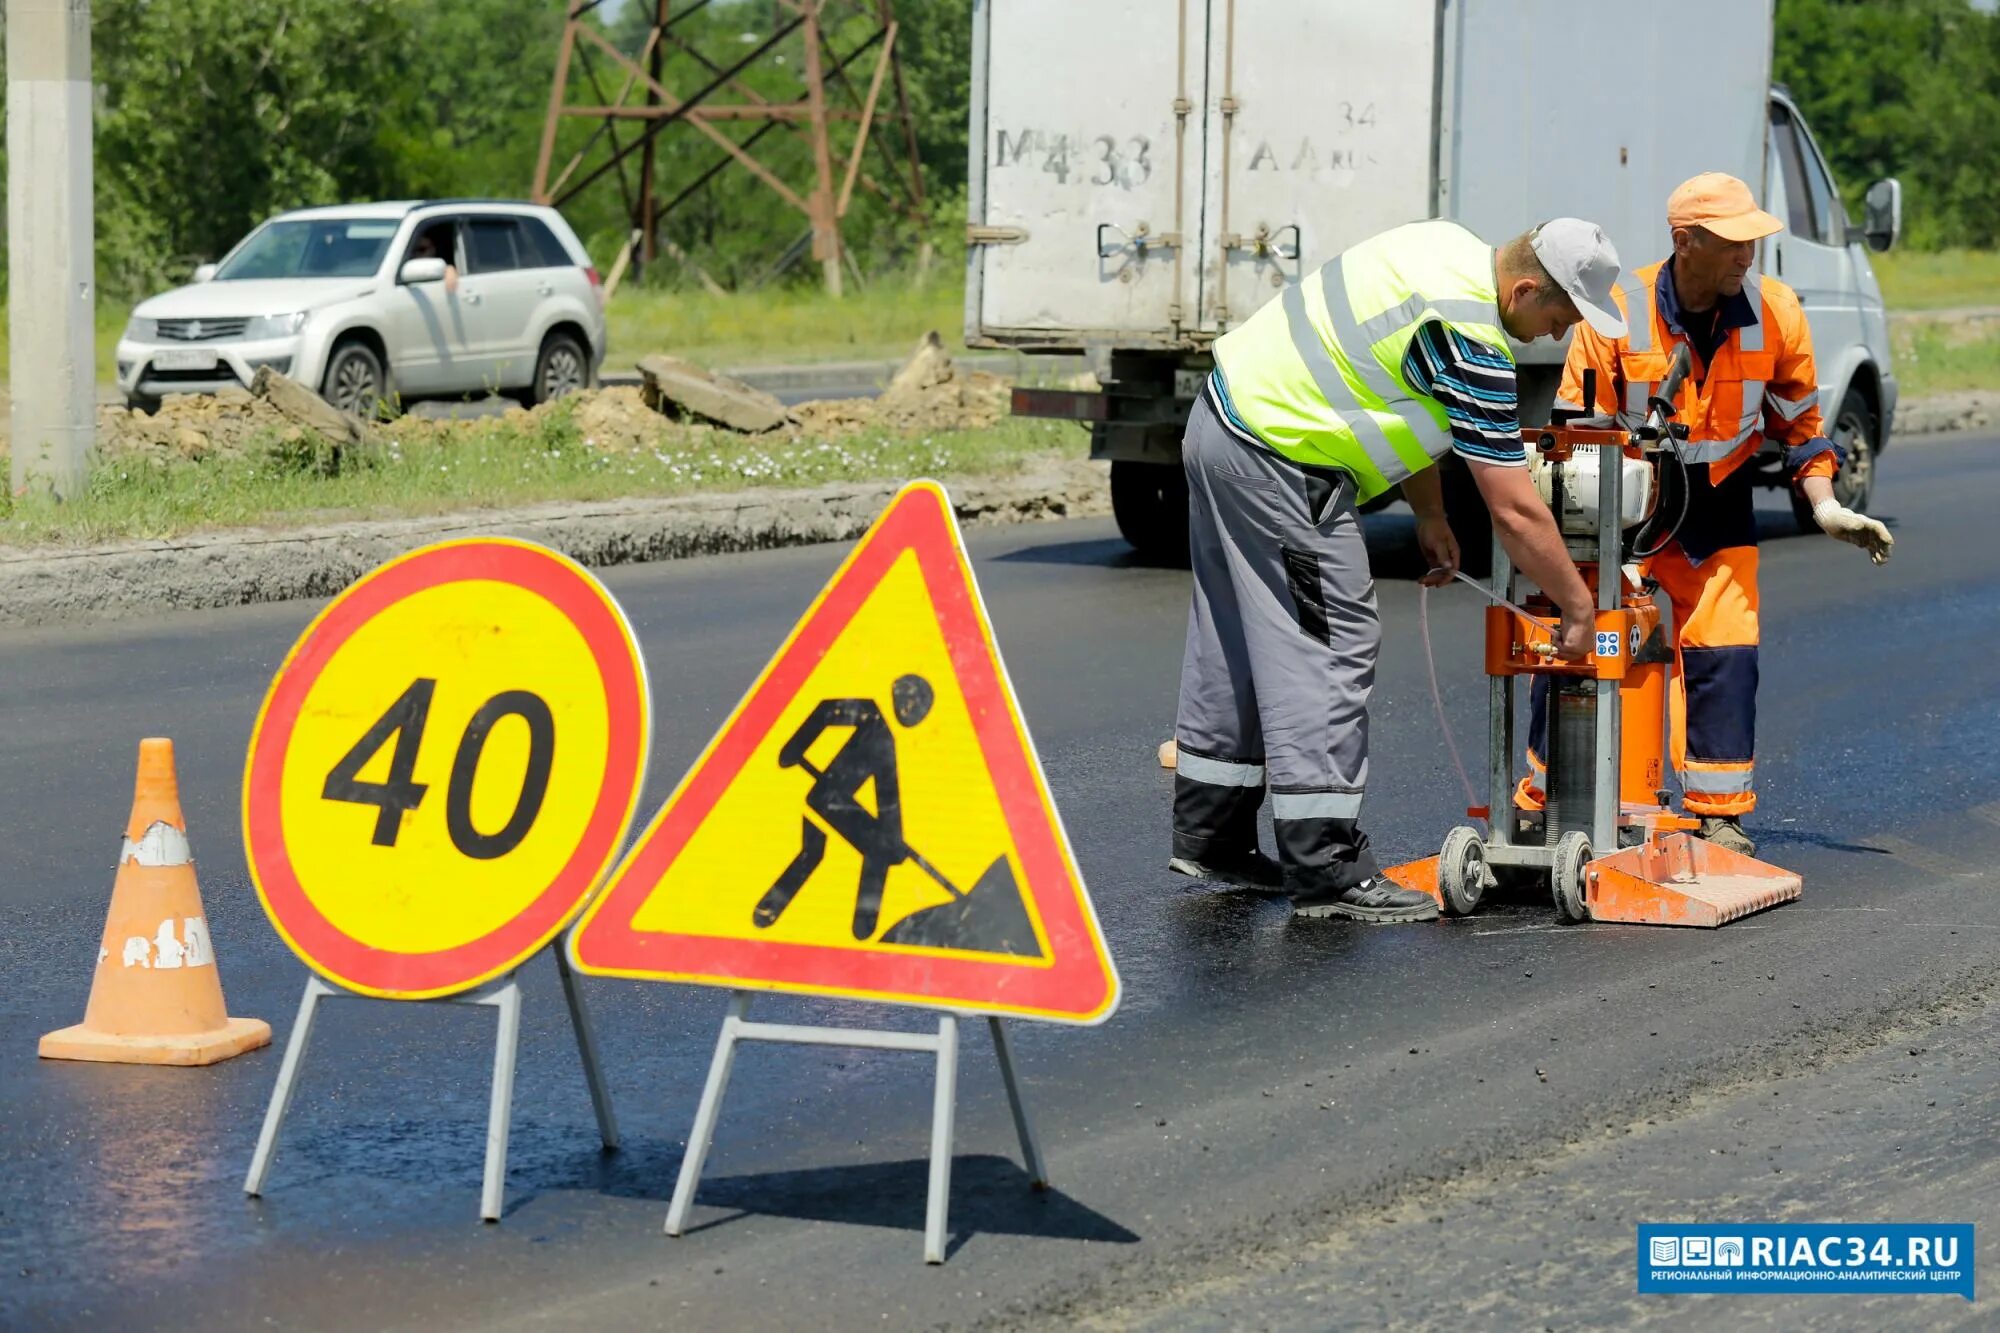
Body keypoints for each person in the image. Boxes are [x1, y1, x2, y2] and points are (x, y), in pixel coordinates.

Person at [1171, 217, 1626, 922]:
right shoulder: (1473, 339)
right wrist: (1576, 606)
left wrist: (1430, 512)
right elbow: (1514, 510)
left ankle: (1212, 835)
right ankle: (1325, 867)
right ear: (1526, 287)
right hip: (1280, 458)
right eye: (1558, 315)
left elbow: (1384, 379)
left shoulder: (1441, 247)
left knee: (1231, 638)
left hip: (1221, 420)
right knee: (1330, 645)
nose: (1555, 335)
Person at [1515, 173, 1893, 856]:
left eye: (1752, 242)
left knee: (1725, 653)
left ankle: (1718, 814)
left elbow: (1800, 425)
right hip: (1621, 510)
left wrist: (1827, 505)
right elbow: (1572, 428)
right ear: (1684, 242)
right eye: (1731, 244)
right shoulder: (1618, 310)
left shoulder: (1775, 312)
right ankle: (1546, 799)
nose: (1746, 257)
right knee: (1581, 643)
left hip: (1718, 504)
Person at [410, 223, 460, 295]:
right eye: (411, 251)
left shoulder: (443, 267)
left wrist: (449, 269)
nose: (415, 255)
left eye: (421, 250)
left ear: (434, 249)